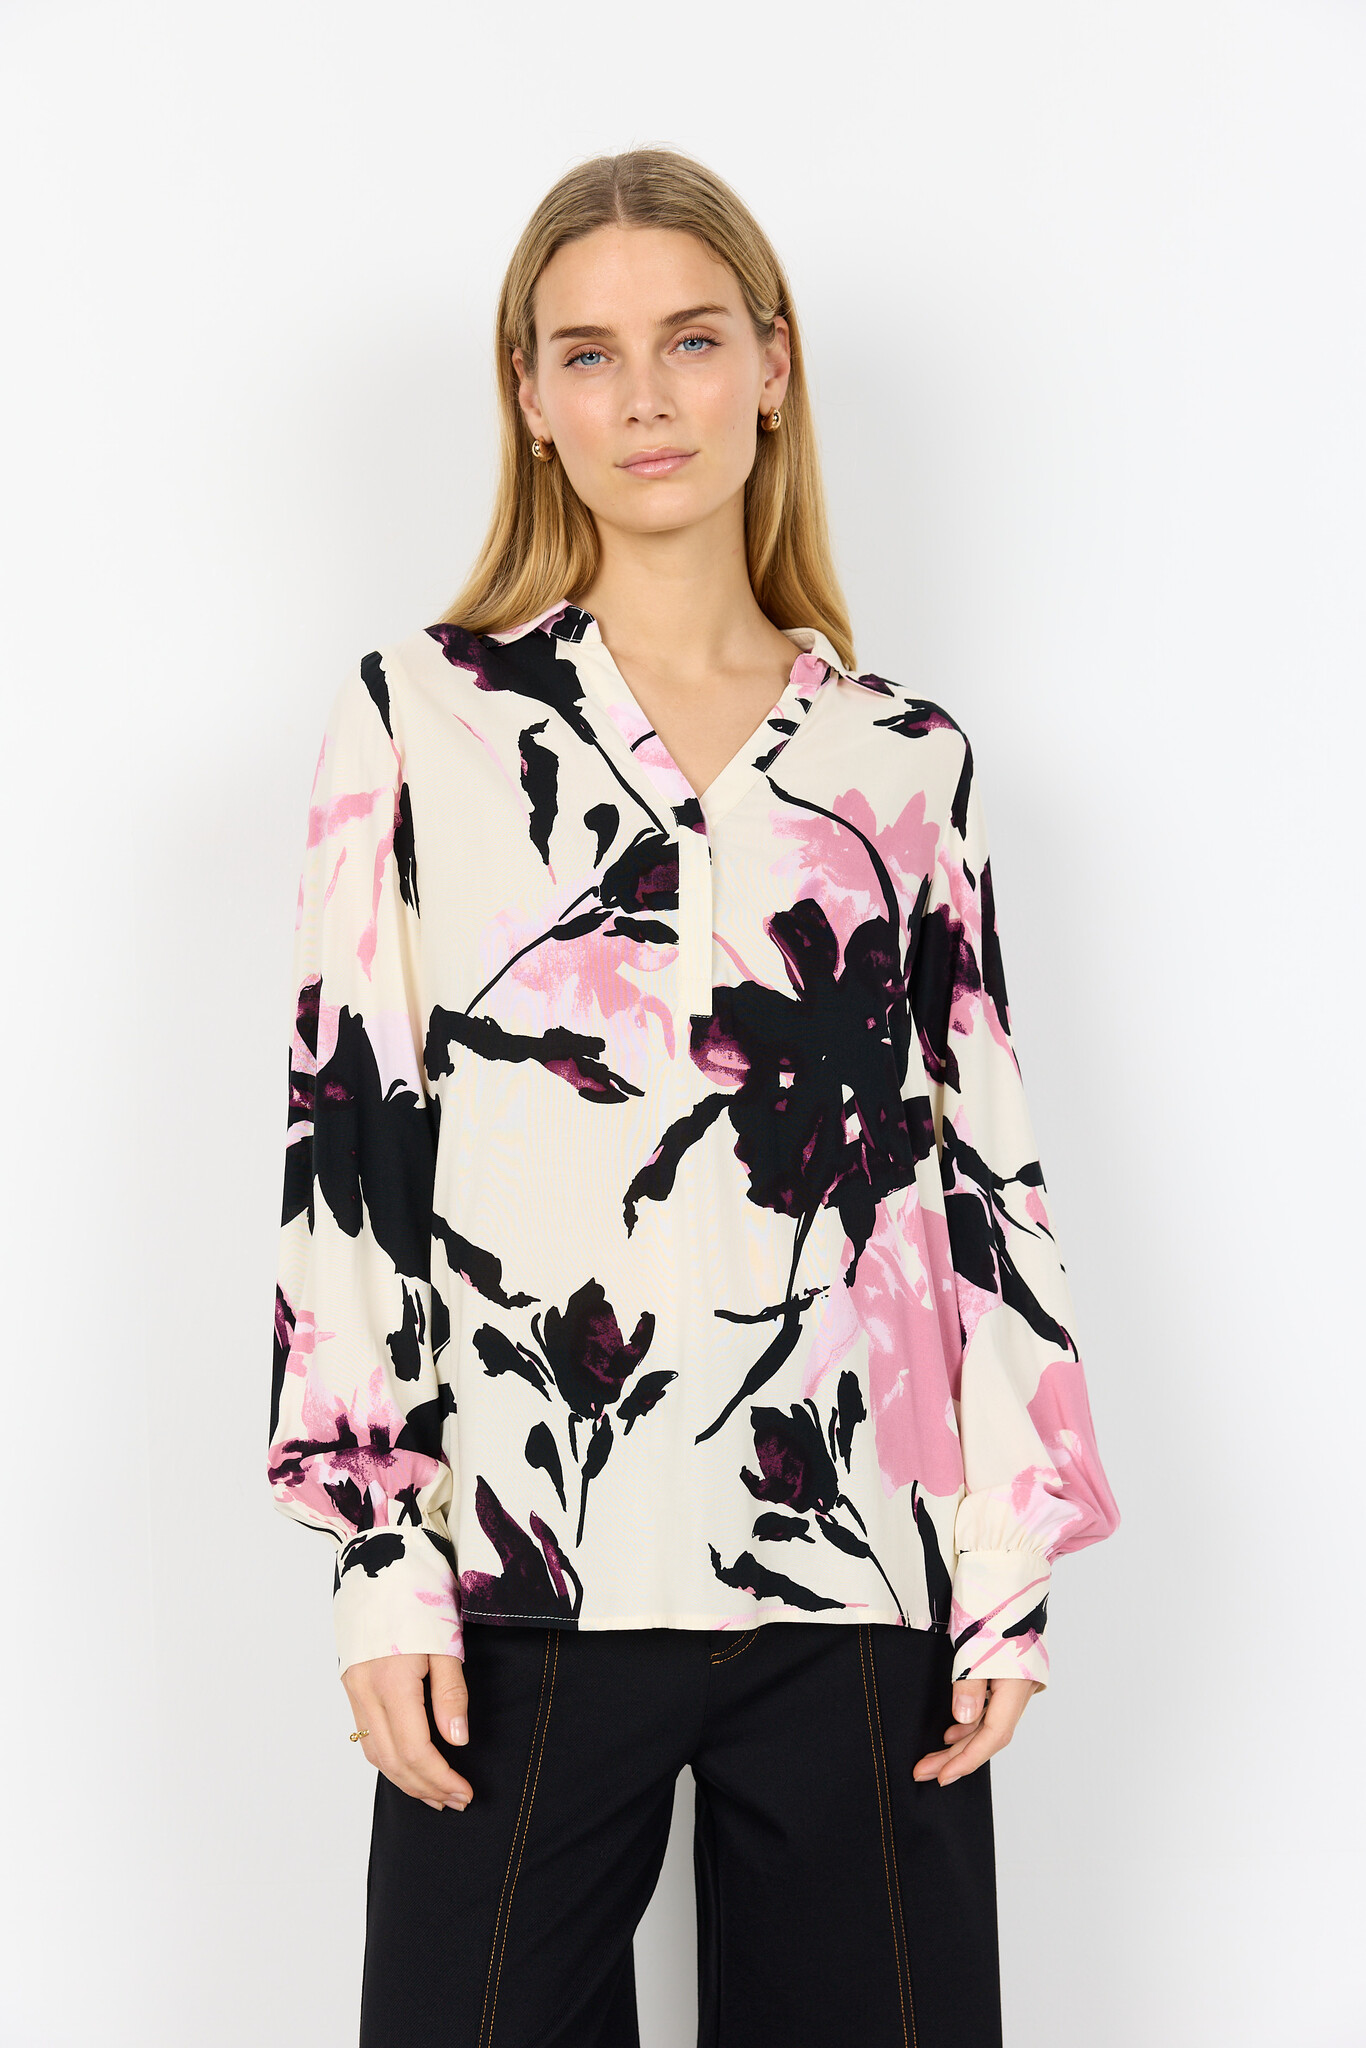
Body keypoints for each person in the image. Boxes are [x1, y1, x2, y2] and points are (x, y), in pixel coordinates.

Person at [267, 146, 1121, 2048]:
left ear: (772, 367)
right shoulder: (421, 717)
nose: (644, 396)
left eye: (691, 339)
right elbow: (351, 1143)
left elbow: (976, 1171)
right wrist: (381, 1558)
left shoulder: (903, 760)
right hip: (519, 1571)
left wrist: (1002, 1557)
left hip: (857, 1570)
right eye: (586, 353)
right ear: (529, 398)